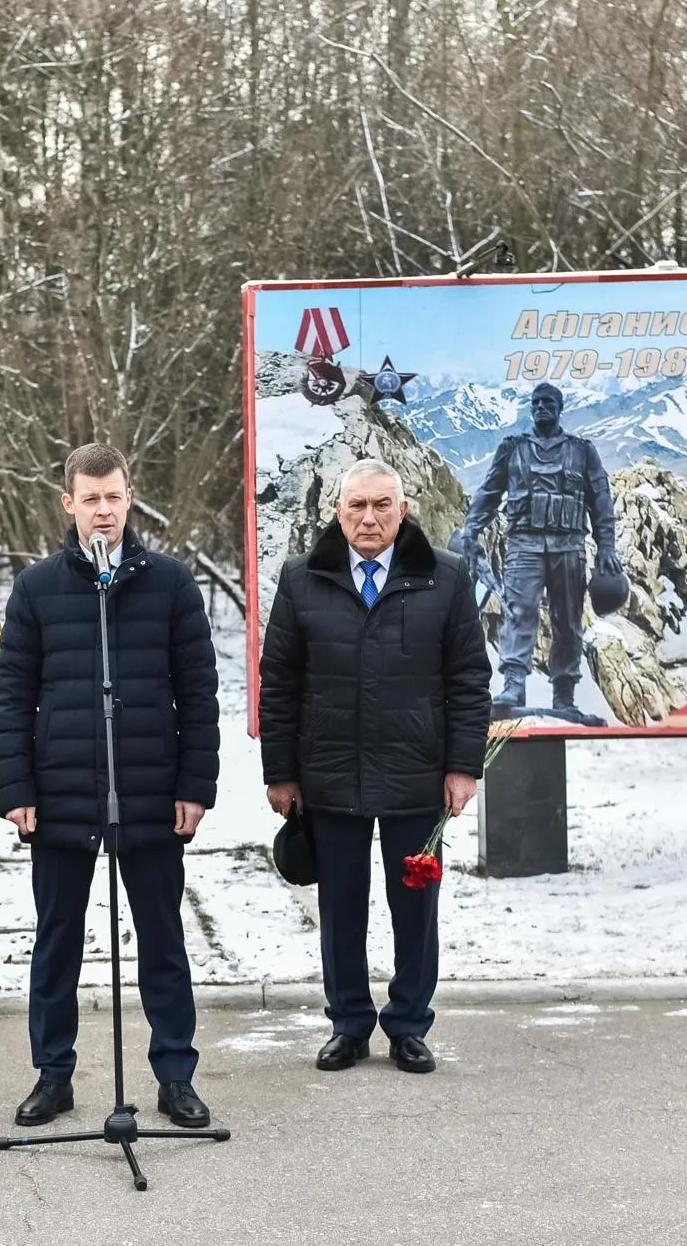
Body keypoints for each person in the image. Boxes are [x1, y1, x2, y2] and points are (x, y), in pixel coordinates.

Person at [0, 444, 220, 1129]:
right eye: (89, 497)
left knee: (162, 939)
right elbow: (11, 697)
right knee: (57, 936)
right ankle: (53, 1072)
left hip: (150, 790)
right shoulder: (36, 589)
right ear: (68, 503)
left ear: (129, 498)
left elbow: (199, 694)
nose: (102, 509)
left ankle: (175, 1073)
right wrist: (17, 788)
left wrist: (196, 784)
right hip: (60, 793)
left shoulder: (173, 585)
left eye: (113, 496)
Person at [259, 459, 491, 1074]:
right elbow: (278, 682)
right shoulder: (302, 580)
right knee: (340, 906)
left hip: (418, 778)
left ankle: (410, 1025)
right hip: (328, 778)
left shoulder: (445, 579)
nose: (368, 518)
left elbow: (469, 679)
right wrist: (280, 773)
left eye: (381, 506)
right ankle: (349, 1025)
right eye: (356, 506)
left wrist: (463, 766)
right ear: (337, 511)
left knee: (416, 908)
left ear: (403, 509)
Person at [459, 381, 617, 714]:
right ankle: (513, 687)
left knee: (568, 620)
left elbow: (601, 501)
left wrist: (607, 548)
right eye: (536, 402)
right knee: (519, 613)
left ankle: (564, 695)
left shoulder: (582, 450)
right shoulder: (512, 448)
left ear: (560, 408)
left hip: (569, 547)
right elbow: (488, 493)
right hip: (524, 546)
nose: (541, 407)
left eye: (548, 402)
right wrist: (470, 531)